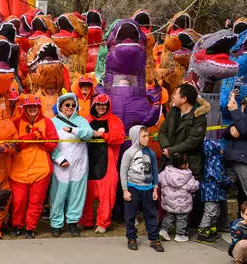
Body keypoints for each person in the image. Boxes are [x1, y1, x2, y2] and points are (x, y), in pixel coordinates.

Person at [9, 95, 58, 238]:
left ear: (39, 107)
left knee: (36, 202)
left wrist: (42, 140)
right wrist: (28, 138)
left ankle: (30, 228)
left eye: (35, 106)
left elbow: (52, 145)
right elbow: (12, 145)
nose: (32, 109)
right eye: (29, 106)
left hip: (41, 169)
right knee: (18, 201)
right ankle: (17, 225)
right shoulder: (16, 122)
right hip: (19, 170)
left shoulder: (48, 123)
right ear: (24, 108)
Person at [49, 93, 94, 237]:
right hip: (61, 164)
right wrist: (58, 158)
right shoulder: (52, 122)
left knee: (77, 193)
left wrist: (74, 130)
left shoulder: (81, 121)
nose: (70, 107)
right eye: (67, 105)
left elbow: (88, 134)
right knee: (58, 194)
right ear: (60, 106)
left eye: (73, 105)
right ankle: (56, 223)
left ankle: (72, 222)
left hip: (79, 163)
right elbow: (49, 143)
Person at [81, 94, 125, 234]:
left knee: (106, 196)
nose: (101, 107)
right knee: (85, 194)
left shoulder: (114, 120)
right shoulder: (86, 119)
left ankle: (102, 223)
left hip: (107, 163)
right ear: (93, 106)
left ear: (108, 106)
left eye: (104, 105)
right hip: (87, 162)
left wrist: (103, 136)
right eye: (98, 105)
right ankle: (85, 221)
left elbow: (119, 138)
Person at [121, 125, 163, 252]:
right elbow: (123, 171)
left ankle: (154, 239)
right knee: (130, 214)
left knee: (151, 214)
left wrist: (155, 188)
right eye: (143, 136)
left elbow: (155, 171)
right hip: (132, 187)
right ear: (135, 137)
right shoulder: (129, 153)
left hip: (148, 188)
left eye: (147, 136)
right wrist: (125, 190)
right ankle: (131, 238)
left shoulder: (151, 153)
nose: (147, 139)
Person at [157, 153, 200, 242]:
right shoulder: (187, 175)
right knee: (182, 218)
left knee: (169, 216)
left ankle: (163, 230)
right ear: (184, 165)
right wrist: (197, 183)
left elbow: (158, 179)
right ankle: (180, 234)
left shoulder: (166, 172)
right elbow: (193, 187)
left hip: (169, 201)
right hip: (182, 203)